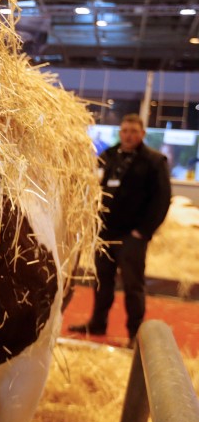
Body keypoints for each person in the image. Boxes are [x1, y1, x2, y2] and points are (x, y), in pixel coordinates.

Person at [69, 114, 171, 347]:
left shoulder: (155, 161)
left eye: (134, 131)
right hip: (105, 234)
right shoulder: (109, 156)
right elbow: (92, 186)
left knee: (133, 286)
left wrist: (143, 232)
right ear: (120, 132)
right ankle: (97, 323)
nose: (128, 135)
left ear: (143, 134)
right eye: (125, 130)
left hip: (132, 236)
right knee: (102, 282)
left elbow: (162, 200)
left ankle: (135, 335)